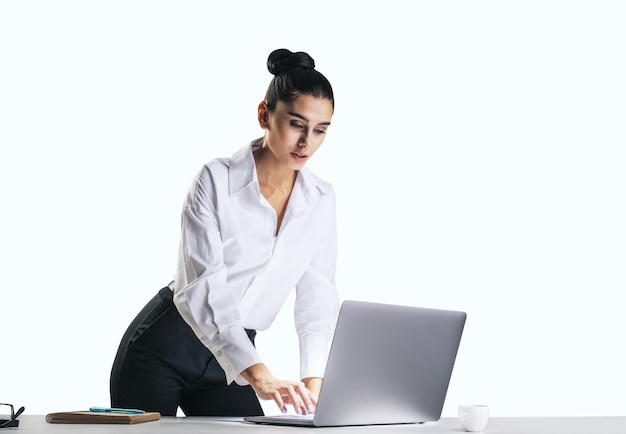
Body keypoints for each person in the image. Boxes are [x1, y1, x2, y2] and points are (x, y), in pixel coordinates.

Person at [110, 48, 339, 417]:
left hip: (231, 363)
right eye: (297, 124)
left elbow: (317, 300)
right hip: (164, 349)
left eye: (320, 130)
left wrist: (314, 386)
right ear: (264, 114)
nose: (306, 142)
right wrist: (261, 376)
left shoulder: (321, 200)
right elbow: (203, 287)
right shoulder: (215, 180)